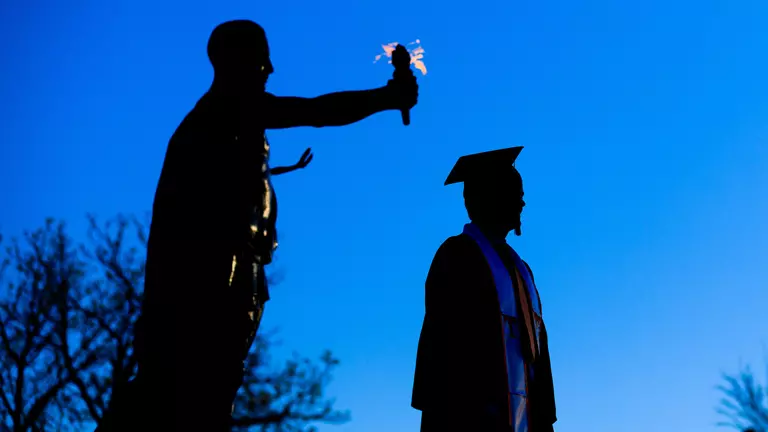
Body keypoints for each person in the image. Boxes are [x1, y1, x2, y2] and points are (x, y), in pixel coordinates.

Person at [100, 19, 418, 432]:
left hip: (237, 277)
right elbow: (315, 110)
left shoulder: (230, 121)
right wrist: (386, 97)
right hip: (210, 283)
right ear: (238, 62)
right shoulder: (221, 111)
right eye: (262, 59)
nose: (271, 69)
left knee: (213, 393)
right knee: (192, 397)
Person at [411, 147, 557, 432]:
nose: (522, 203)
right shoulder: (457, 256)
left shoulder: (523, 270)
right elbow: (443, 348)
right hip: (469, 416)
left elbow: (539, 355)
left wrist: (545, 419)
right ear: (489, 197)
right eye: (516, 193)